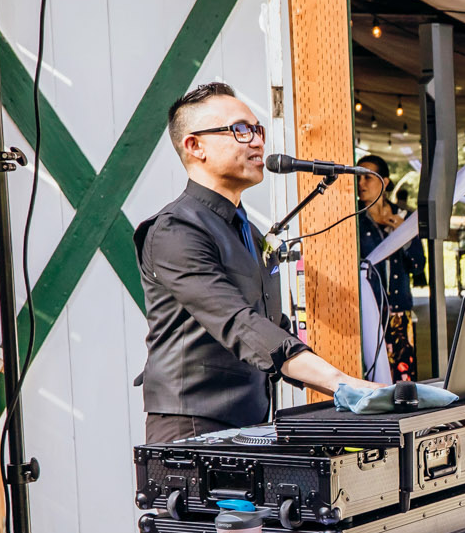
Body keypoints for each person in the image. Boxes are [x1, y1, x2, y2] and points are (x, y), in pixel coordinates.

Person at [136, 83, 378, 443]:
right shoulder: (175, 229)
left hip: (250, 419)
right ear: (194, 145)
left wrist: (349, 388)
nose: (257, 142)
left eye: (257, 129)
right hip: (192, 424)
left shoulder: (246, 229)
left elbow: (271, 326)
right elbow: (239, 323)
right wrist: (340, 383)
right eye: (240, 130)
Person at [355, 154, 423, 381]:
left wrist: (405, 236)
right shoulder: (353, 219)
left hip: (398, 314)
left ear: (384, 182)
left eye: (367, 177)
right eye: (358, 177)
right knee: (373, 378)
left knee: (404, 379)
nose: (360, 183)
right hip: (368, 312)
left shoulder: (405, 216)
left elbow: (418, 266)